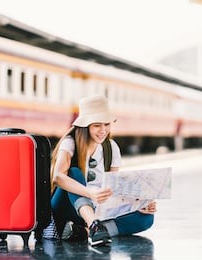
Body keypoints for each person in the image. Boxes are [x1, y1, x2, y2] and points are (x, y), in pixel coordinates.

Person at [47, 95, 156, 247]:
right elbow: (57, 177)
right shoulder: (70, 143)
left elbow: (116, 188)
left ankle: (83, 232)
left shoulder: (111, 147)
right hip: (67, 207)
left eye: (107, 124)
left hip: (98, 209)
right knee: (74, 172)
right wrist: (89, 193)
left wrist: (138, 203)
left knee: (146, 218)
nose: (103, 130)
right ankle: (94, 227)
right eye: (97, 125)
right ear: (86, 126)